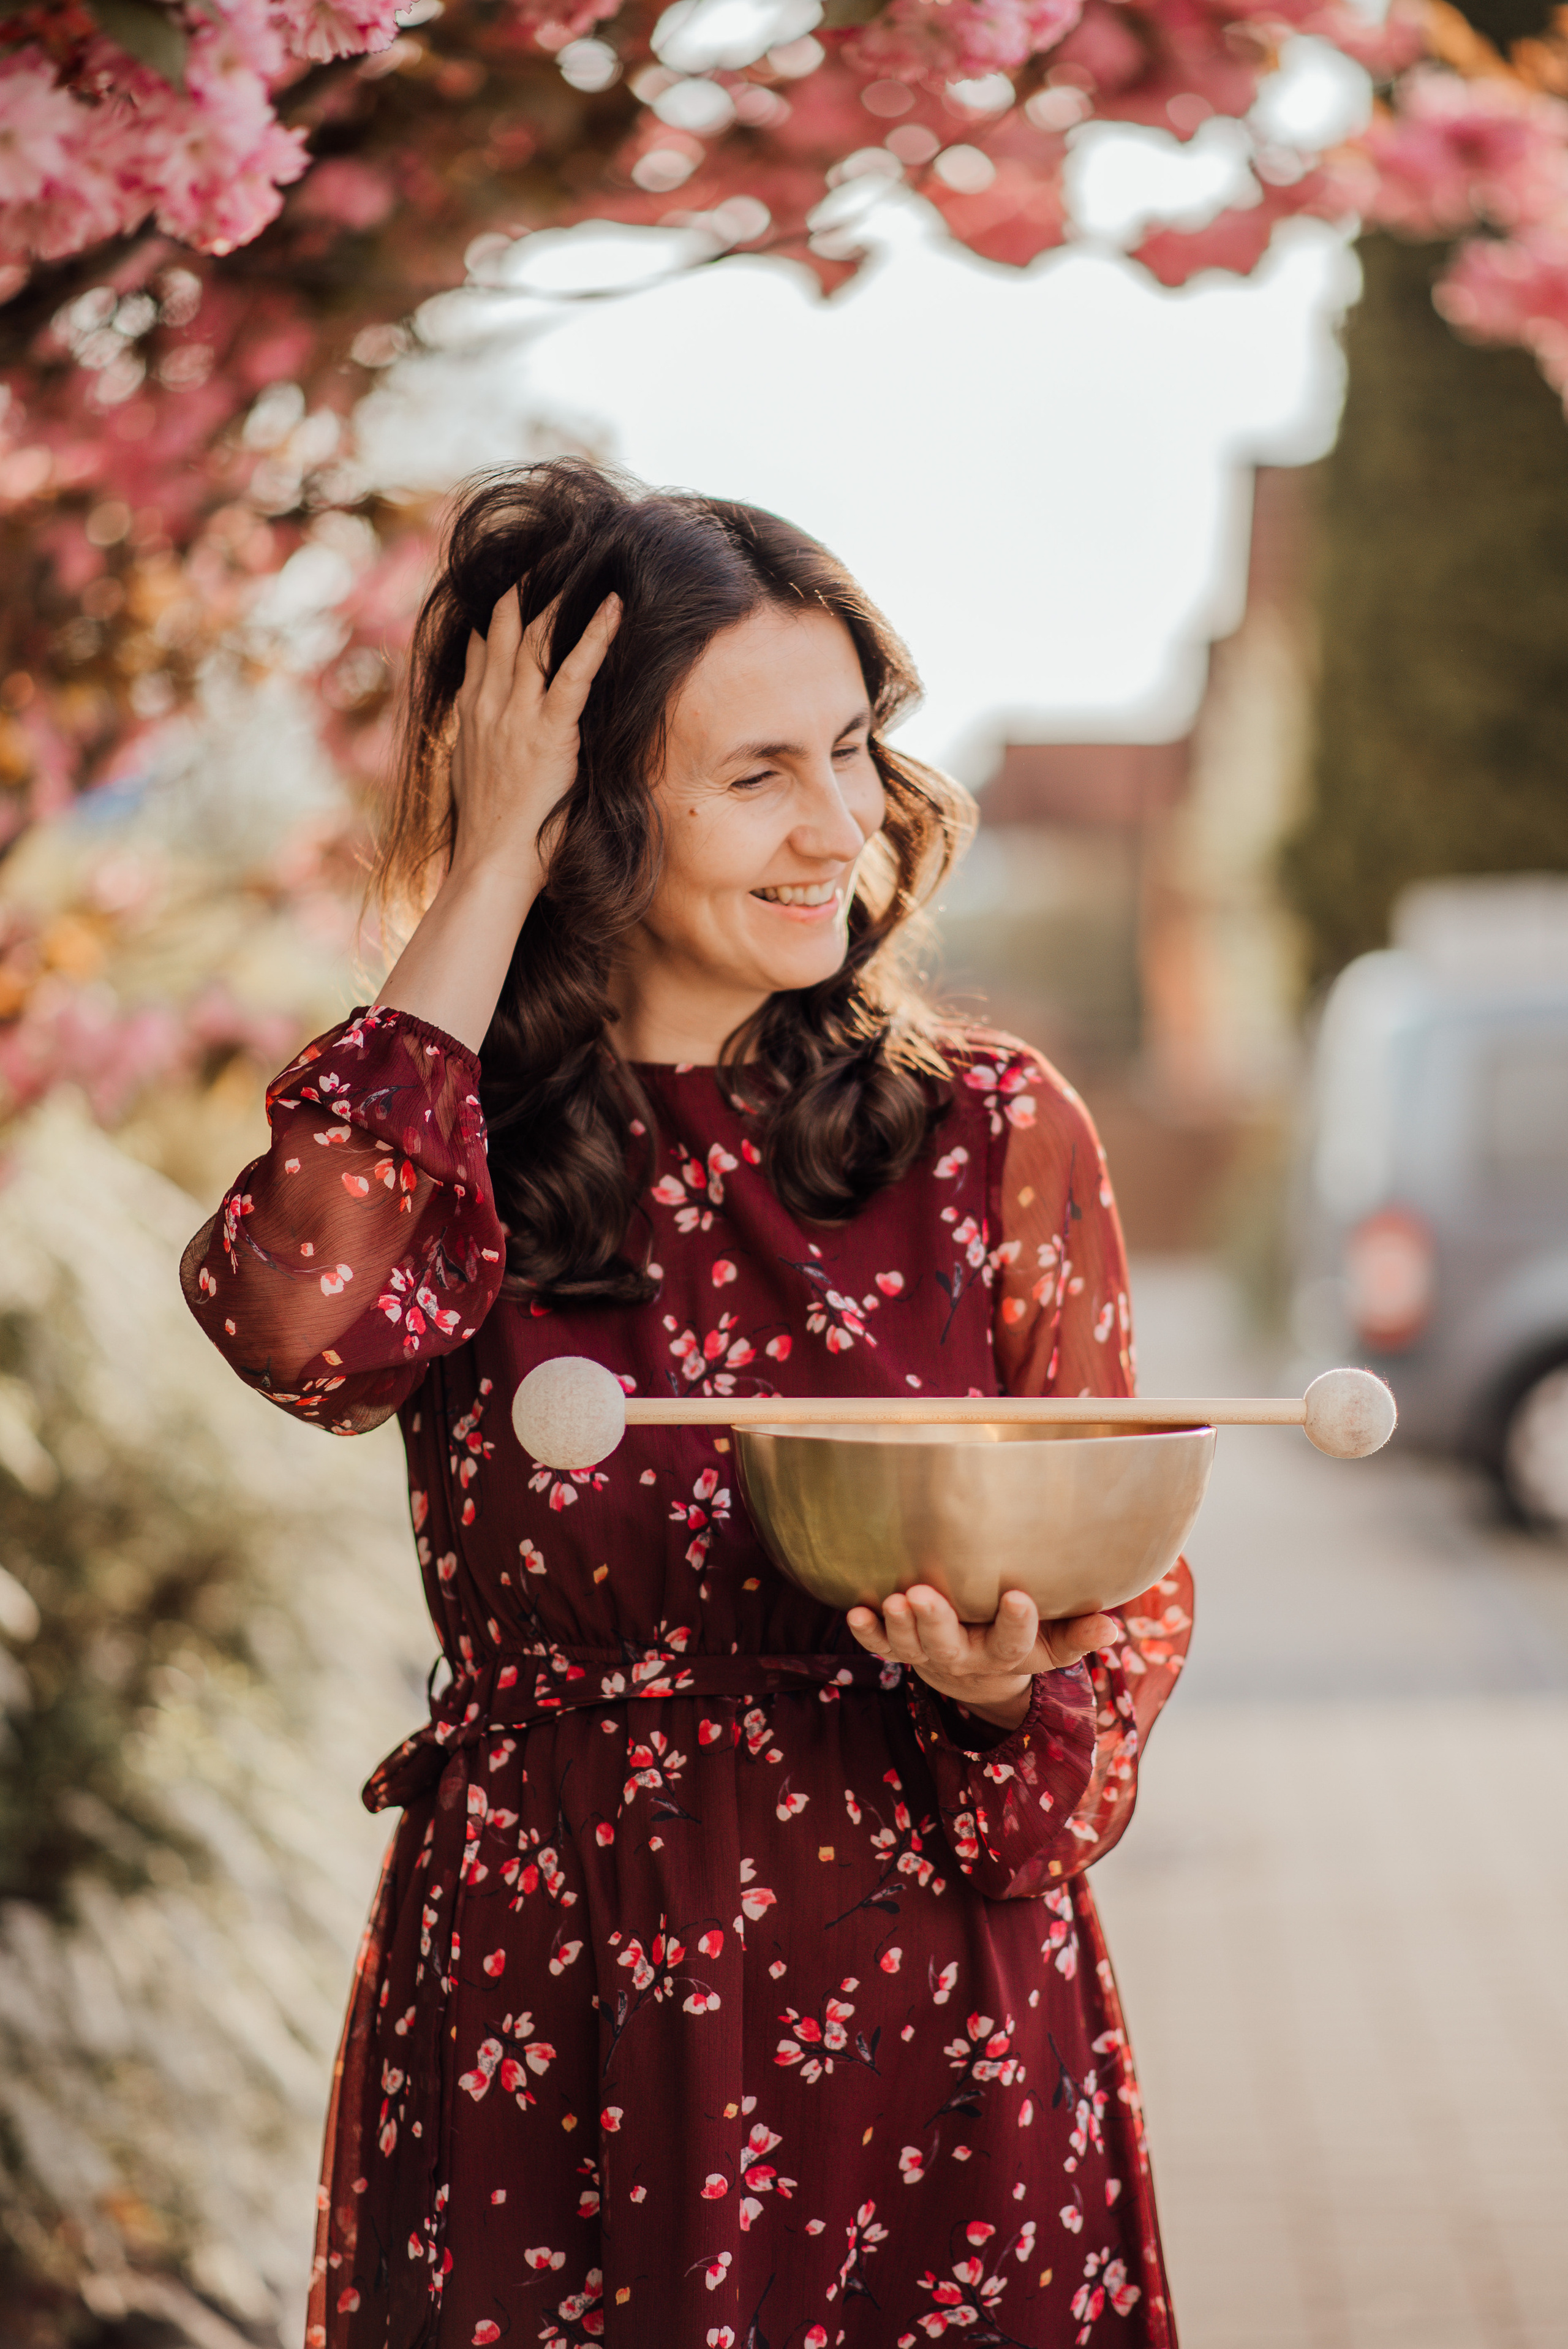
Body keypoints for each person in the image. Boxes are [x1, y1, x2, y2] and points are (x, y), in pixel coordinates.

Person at [183, 458, 1193, 2349]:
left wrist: (1009, 1687)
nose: (840, 824)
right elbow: (295, 1318)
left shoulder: (988, 1135)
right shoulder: (451, 1134)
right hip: (540, 2013)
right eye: (758, 773)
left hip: (922, 2017)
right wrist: (482, 867)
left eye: (856, 747)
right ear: (582, 815)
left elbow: (1119, 1622)